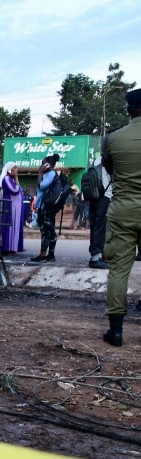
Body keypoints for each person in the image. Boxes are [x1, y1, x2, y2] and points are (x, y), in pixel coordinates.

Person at [100, 88, 141, 346]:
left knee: (118, 270)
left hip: (123, 209)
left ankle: (115, 330)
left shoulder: (113, 139)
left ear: (129, 110)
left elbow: (108, 168)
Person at [29, 154, 60, 263]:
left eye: (43, 163)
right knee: (50, 230)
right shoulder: (51, 174)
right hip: (46, 206)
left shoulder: (50, 174)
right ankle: (50, 255)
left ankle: (43, 255)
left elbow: (41, 186)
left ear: (48, 164)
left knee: (46, 231)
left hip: (46, 207)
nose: (41, 165)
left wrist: (40, 173)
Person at [88, 156, 111, 269]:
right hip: (105, 195)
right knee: (101, 226)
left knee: (94, 226)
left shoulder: (97, 159)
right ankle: (96, 257)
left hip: (94, 195)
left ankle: (95, 254)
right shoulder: (109, 158)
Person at [0, 161, 24, 254]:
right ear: (10, 170)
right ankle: (7, 248)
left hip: (16, 207)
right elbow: (15, 190)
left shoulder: (12, 179)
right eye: (15, 168)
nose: (17, 169)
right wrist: (16, 177)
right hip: (11, 207)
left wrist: (16, 178)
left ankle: (14, 247)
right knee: (10, 227)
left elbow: (19, 189)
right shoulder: (7, 179)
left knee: (15, 227)